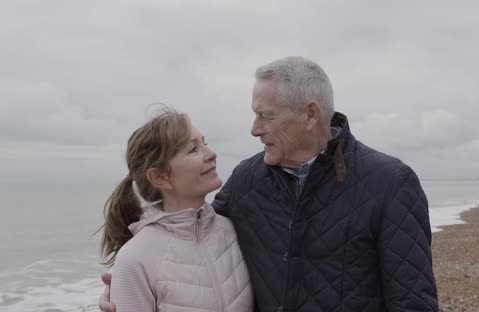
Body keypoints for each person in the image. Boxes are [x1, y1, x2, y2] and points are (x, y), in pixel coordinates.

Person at [100, 57, 438, 311]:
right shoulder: (246, 181)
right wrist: (125, 291)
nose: (255, 129)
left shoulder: (390, 183)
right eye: (254, 114)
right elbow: (192, 242)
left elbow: (413, 303)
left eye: (268, 116)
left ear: (310, 114)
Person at [99, 107, 253, 312]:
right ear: (160, 177)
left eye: (204, 143)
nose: (212, 154)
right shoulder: (135, 259)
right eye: (193, 149)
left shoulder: (230, 229)